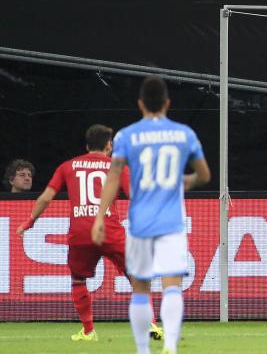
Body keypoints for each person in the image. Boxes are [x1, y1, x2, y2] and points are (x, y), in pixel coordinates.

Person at [92, 76, 211, 354]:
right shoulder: (185, 134)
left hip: (141, 222)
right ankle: (170, 348)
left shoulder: (125, 136)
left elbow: (114, 178)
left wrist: (99, 216)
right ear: (168, 103)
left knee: (141, 288)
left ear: (141, 103)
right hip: (171, 222)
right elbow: (205, 176)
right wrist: (187, 180)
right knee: (172, 285)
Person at [16, 124, 163, 342]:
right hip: (109, 230)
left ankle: (88, 331)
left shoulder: (68, 166)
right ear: (109, 145)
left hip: (81, 232)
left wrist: (29, 222)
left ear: (87, 145)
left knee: (78, 280)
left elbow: (46, 197)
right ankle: (150, 324)